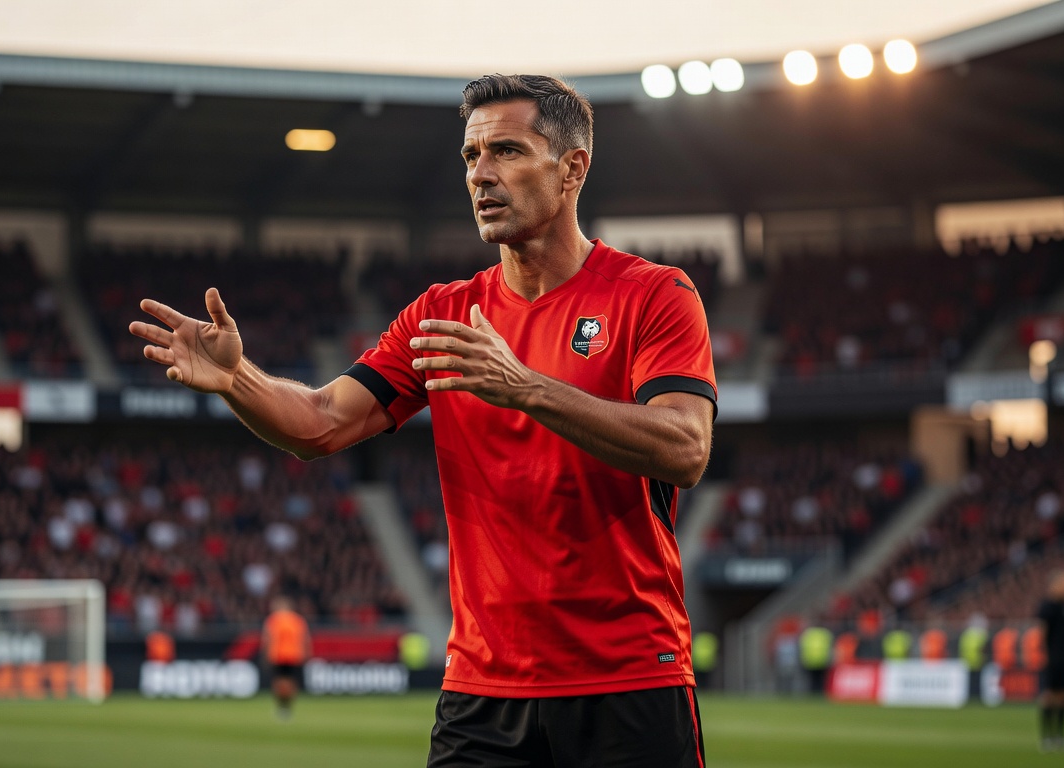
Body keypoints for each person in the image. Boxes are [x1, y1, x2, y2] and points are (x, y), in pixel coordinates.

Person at [130, 73, 716, 767]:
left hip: (627, 681)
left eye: (506, 152)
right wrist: (238, 379)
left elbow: (685, 446)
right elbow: (321, 422)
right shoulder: (440, 313)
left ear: (572, 170)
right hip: (482, 693)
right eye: (471, 158)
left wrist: (526, 388)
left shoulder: (653, 295)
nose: (482, 176)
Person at [1037, 569, 1064, 752]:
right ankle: (1046, 737)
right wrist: (1043, 655)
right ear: (1055, 585)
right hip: (1052, 658)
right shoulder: (1047, 607)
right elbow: (1042, 632)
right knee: (1049, 696)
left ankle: (1060, 737)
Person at [262, 596, 311, 720]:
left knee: (279, 681)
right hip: (294, 654)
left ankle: (281, 707)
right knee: (291, 681)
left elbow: (267, 638)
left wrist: (265, 654)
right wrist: (307, 654)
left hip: (278, 655)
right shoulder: (298, 620)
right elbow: (305, 639)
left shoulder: (273, 619)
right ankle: (288, 707)